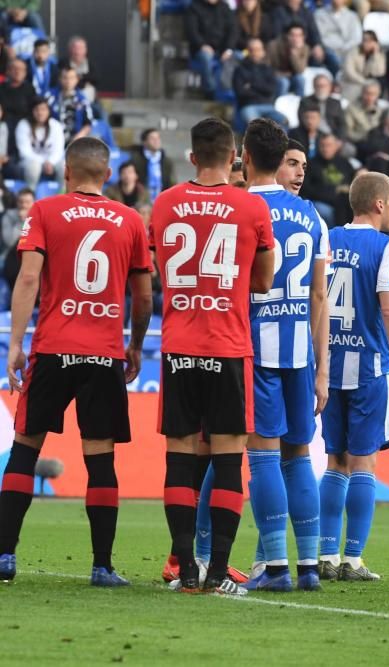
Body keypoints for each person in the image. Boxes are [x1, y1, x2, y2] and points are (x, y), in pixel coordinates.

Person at [0, 137, 152, 586]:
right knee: (100, 460)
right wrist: (137, 344)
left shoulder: (45, 211)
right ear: (107, 176)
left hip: (52, 348)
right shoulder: (129, 220)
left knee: (26, 449)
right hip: (104, 354)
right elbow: (143, 297)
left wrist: (14, 344)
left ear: (66, 172)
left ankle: (5, 557)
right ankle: (102, 566)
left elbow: (28, 278)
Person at [150, 117, 275, 596]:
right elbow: (262, 282)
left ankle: (185, 573)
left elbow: (163, 269)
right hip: (228, 347)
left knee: (179, 462)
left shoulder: (164, 204)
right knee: (226, 463)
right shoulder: (250, 206)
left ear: (192, 157)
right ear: (234, 159)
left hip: (180, 345)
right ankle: (220, 574)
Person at [238, 119, 329, 593]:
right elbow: (319, 297)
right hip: (300, 351)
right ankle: (309, 567)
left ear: (247, 156)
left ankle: (275, 569)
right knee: (299, 457)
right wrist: (322, 370)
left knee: (262, 458)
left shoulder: (241, 208)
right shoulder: (313, 217)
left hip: (255, 347)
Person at [319, 172, 389, 582]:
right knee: (364, 462)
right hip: (369, 367)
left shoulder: (328, 239)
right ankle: (353, 560)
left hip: (329, 365)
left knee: (334, 461)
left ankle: (324, 554)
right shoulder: (386, 247)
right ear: (378, 204)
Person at [185, 0, 238, 98]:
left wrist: (228, 48)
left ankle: (227, 92)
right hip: (200, 48)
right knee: (206, 58)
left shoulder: (224, 7)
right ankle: (210, 91)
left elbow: (233, 30)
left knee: (235, 57)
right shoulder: (194, 7)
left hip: (222, 48)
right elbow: (191, 31)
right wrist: (202, 45)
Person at [301, 133, 355, 228]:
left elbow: (353, 182)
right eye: (323, 145)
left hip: (344, 201)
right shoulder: (311, 164)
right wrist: (334, 191)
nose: (325, 149)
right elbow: (306, 189)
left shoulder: (344, 163)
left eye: (329, 145)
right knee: (323, 210)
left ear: (336, 146)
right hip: (322, 201)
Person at [233, 38, 285, 131]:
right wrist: (262, 90)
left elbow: (271, 89)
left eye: (257, 49)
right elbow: (240, 92)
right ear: (247, 51)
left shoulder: (268, 69)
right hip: (249, 106)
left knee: (285, 122)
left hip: (268, 106)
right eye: (251, 50)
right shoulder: (240, 70)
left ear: (263, 51)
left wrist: (252, 86)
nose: (254, 53)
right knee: (256, 126)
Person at [16, 96, 64, 190]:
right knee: (34, 166)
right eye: (37, 109)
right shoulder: (23, 125)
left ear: (48, 111)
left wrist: (50, 162)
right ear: (32, 111)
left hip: (52, 161)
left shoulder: (55, 125)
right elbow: (24, 152)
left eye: (43, 109)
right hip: (30, 162)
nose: (40, 113)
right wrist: (44, 162)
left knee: (65, 166)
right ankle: (31, 193)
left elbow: (59, 150)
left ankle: (62, 193)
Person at [47, 67, 94, 144]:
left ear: (77, 79)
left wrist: (78, 137)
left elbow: (88, 124)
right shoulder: (50, 96)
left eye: (71, 78)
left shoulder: (82, 99)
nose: (68, 81)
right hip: (52, 139)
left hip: (75, 141)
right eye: (65, 78)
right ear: (60, 79)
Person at [340, 31, 386, 104]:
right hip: (352, 83)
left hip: (368, 83)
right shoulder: (353, 52)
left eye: (370, 40)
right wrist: (364, 82)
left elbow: (380, 72)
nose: (366, 43)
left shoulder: (379, 54)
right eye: (364, 40)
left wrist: (375, 54)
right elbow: (349, 72)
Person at [131, 129, 175, 202]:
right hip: (141, 200)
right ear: (144, 142)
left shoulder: (167, 161)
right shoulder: (135, 159)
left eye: (158, 138)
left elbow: (172, 182)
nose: (156, 141)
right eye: (152, 138)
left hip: (162, 199)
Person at [315, 0, 362, 66]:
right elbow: (318, 36)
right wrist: (330, 48)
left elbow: (356, 39)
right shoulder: (319, 14)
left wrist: (343, 48)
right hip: (327, 50)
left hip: (346, 51)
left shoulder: (352, 16)